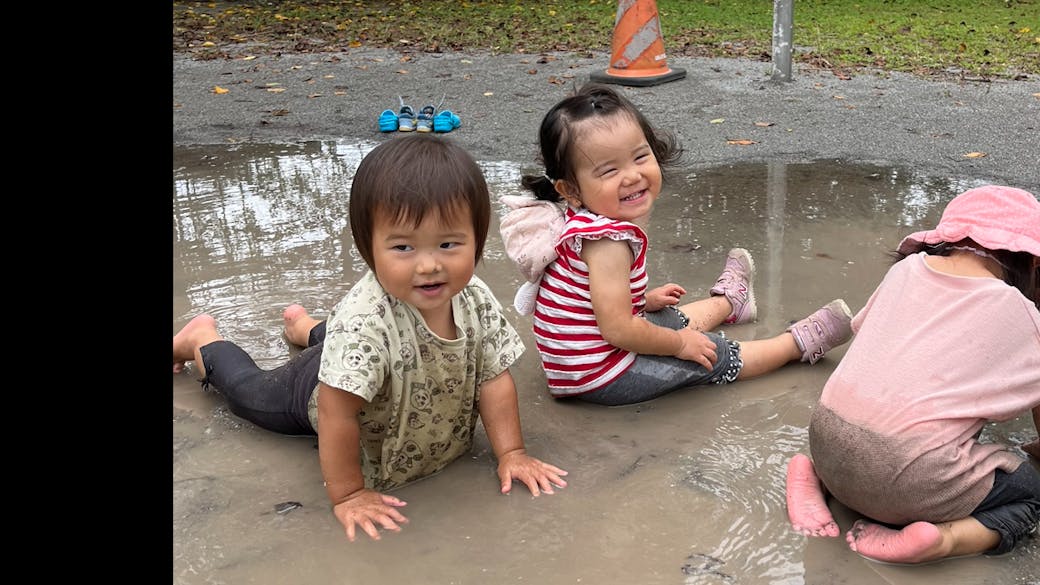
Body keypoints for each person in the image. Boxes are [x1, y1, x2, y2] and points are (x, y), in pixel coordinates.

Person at [173, 134, 568, 543]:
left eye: (449, 244)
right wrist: (349, 493)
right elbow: (335, 412)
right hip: (318, 388)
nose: (429, 265)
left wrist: (513, 453)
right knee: (247, 392)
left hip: (376, 361)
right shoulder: (364, 320)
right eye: (402, 247)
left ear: (477, 240)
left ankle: (304, 326)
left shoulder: (475, 299)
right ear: (368, 249)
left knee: (375, 345)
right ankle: (202, 339)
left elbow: (493, 378)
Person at [499, 82, 854, 406]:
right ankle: (796, 345)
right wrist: (681, 344)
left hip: (579, 363)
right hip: (600, 375)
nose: (633, 175)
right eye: (609, 171)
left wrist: (643, 300)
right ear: (571, 190)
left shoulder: (587, 223)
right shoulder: (606, 242)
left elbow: (593, 303)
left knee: (661, 317)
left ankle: (731, 303)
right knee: (711, 355)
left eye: (639, 157)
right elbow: (619, 329)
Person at [785, 185, 1040, 565]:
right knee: (1030, 495)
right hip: (909, 478)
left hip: (825, 440)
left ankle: (813, 478)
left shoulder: (905, 271)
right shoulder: (1018, 311)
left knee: (873, 430)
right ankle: (944, 539)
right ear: (1033, 264)